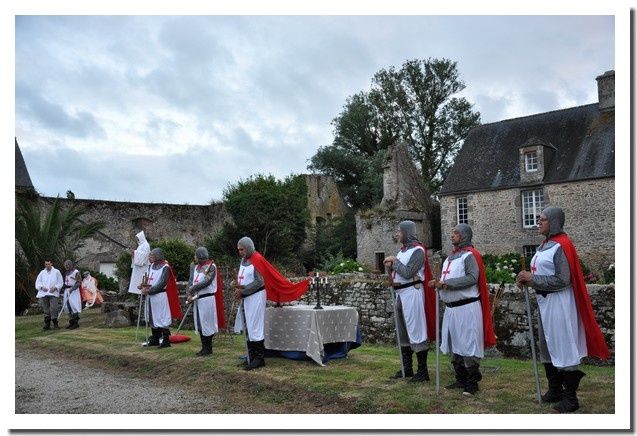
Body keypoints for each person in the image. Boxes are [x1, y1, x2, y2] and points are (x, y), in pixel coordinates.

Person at [516, 206, 609, 413]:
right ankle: (555, 389)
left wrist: (533, 279)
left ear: (555, 222)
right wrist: (526, 280)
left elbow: (563, 280)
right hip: (544, 303)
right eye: (539, 219)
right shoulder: (544, 246)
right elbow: (538, 274)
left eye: (543, 219)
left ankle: (571, 398)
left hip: (560, 303)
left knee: (563, 346)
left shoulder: (562, 245)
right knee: (547, 346)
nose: (538, 222)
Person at [428, 224, 496, 396]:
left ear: (465, 235)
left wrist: (446, 284)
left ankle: (472, 382)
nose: (453, 236)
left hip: (467, 308)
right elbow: (445, 279)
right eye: (452, 233)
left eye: (456, 233)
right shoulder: (450, 258)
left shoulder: (470, 255)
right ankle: (460, 378)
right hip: (452, 309)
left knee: (469, 343)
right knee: (455, 344)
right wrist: (436, 284)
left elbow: (472, 278)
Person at [233, 236, 310, 371]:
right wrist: (238, 286)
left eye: (242, 249)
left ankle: (259, 359)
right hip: (246, 297)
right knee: (248, 326)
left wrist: (243, 292)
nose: (240, 252)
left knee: (255, 326)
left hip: (255, 297)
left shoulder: (256, 259)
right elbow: (246, 279)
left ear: (249, 247)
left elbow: (259, 282)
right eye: (239, 250)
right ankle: (251, 357)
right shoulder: (244, 260)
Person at [383, 220, 435, 382]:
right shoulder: (402, 251)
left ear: (406, 232)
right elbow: (398, 273)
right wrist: (390, 267)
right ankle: (407, 369)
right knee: (403, 332)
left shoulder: (418, 251)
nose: (397, 234)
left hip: (413, 293)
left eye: (399, 231)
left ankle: (422, 371)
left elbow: (408, 272)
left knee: (416, 330)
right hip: (400, 294)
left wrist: (394, 261)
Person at [140, 248, 182, 348]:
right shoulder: (151, 266)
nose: (150, 257)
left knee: (162, 317)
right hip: (150, 296)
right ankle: (155, 338)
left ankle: (166, 340)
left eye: (152, 255)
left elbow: (162, 283)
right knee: (152, 317)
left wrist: (149, 290)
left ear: (158, 256)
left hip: (160, 296)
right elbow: (148, 279)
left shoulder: (165, 267)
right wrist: (142, 285)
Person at [187, 247, 225, 357]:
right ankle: (204, 347)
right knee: (200, 324)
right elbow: (191, 282)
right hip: (197, 298)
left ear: (200, 256)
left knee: (207, 324)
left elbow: (207, 282)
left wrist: (193, 288)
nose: (194, 257)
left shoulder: (211, 266)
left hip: (207, 299)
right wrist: (190, 293)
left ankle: (208, 348)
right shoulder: (196, 268)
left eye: (195, 255)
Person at [34, 260, 64, 330]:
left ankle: (55, 323)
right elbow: (38, 282)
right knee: (46, 309)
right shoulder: (42, 273)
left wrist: (56, 287)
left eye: (48, 264)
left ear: (51, 264)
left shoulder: (56, 272)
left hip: (53, 293)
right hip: (44, 293)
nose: (47, 266)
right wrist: (41, 287)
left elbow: (60, 282)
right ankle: (47, 324)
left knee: (54, 308)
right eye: (46, 264)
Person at [61, 260, 82, 329]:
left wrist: (72, 289)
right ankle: (71, 322)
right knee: (67, 306)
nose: (66, 267)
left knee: (74, 306)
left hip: (74, 291)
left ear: (70, 265)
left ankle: (76, 323)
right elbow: (66, 282)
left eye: (67, 265)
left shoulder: (76, 272)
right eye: (65, 266)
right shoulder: (67, 273)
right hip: (67, 291)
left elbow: (79, 282)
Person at [128, 230, 150, 295]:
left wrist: (134, 252)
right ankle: (138, 296)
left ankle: (142, 295)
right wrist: (133, 254)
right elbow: (138, 255)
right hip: (138, 268)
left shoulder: (146, 245)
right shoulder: (140, 245)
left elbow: (144, 256)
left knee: (141, 282)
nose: (137, 240)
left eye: (138, 238)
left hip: (143, 268)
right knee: (137, 284)